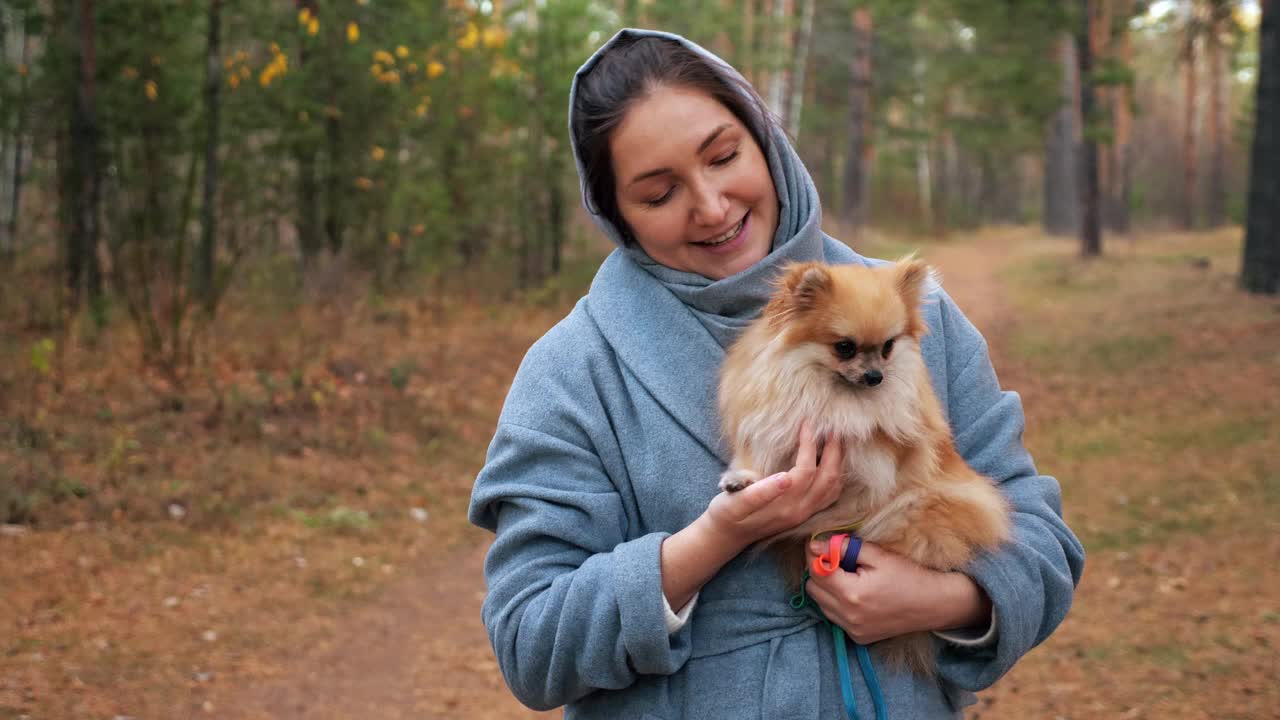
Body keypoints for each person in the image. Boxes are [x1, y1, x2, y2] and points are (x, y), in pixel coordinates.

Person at [469, 28, 1084, 719]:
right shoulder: (573, 372)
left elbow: (1042, 540)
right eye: (658, 192)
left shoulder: (907, 315)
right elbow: (530, 644)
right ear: (617, 216)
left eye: (724, 156)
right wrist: (712, 541)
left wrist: (946, 599)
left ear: (766, 139)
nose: (710, 206)